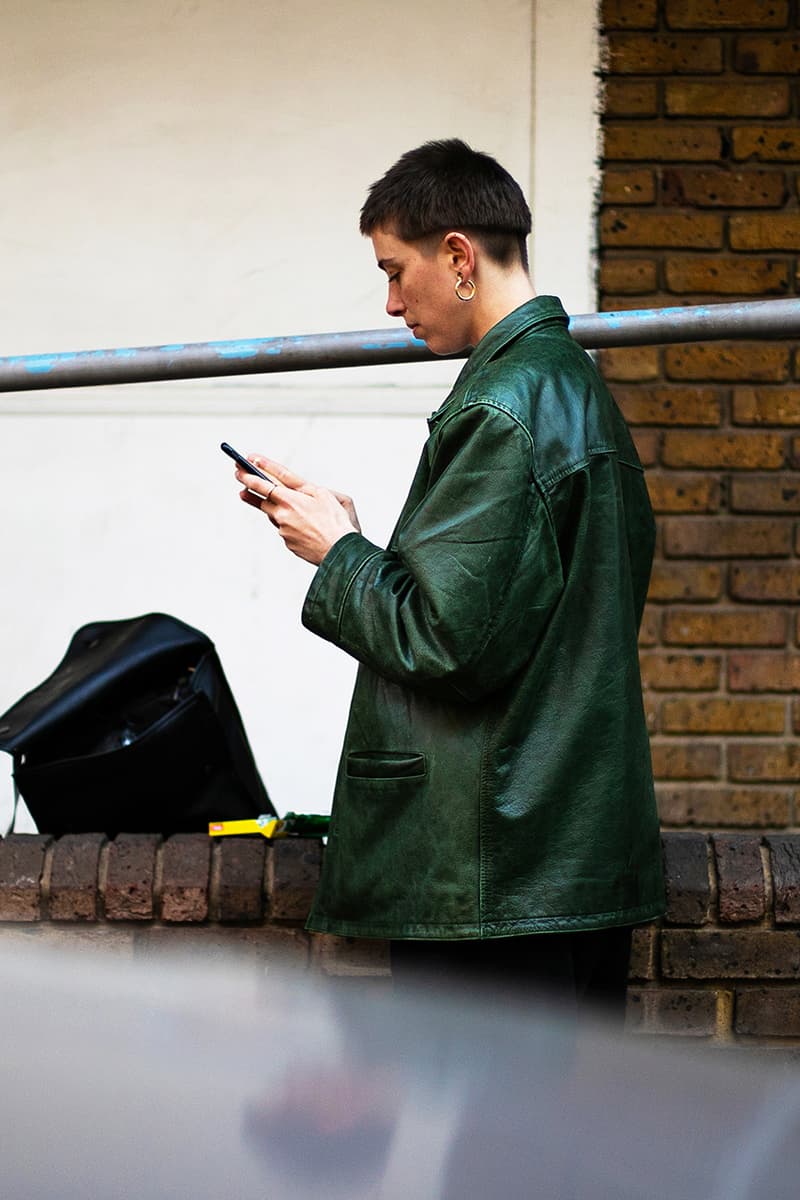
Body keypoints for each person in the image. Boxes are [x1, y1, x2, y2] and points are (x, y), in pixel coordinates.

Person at [232, 139, 665, 1018]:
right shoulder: (569, 386)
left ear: (459, 256)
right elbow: (524, 621)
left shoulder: (504, 406)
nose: (391, 303)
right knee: (555, 1153)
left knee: (495, 1153)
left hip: (495, 880)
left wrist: (337, 552)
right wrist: (352, 537)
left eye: (397, 272)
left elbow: (446, 640)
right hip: (554, 861)